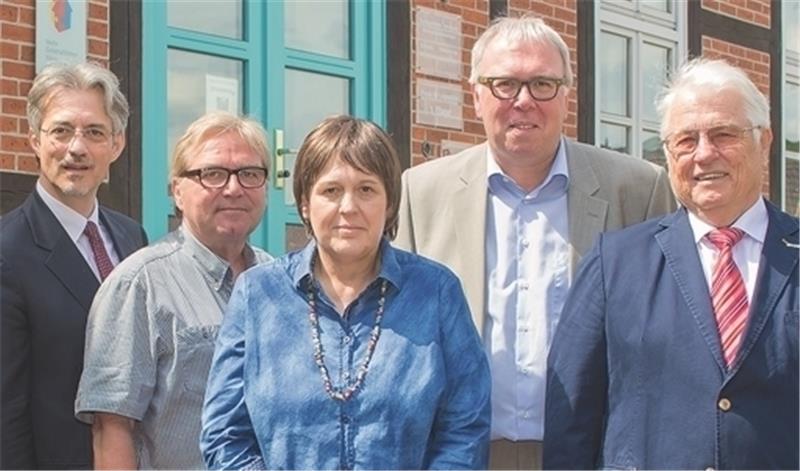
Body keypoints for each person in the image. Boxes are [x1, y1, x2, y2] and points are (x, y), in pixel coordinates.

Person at [394, 15, 675, 470]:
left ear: (567, 93)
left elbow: (669, 332)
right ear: (476, 95)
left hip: (594, 454)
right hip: (463, 455)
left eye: (542, 83)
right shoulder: (420, 193)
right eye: (504, 83)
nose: (523, 101)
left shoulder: (638, 189)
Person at [544, 58, 799, 469]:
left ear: (764, 141)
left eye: (723, 134)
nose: (703, 154)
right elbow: (572, 417)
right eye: (685, 141)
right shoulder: (616, 263)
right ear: (667, 154)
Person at [201, 115, 491, 470]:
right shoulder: (258, 295)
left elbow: (465, 427)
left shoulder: (436, 293)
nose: (348, 207)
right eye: (331, 190)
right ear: (305, 203)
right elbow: (224, 435)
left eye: (366, 189)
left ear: (388, 205)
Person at [74, 111, 272, 469]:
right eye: (212, 174)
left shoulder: (277, 282)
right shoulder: (139, 284)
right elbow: (112, 428)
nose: (233, 188)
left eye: (249, 174)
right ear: (177, 190)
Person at [0, 62, 148, 469]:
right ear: (34, 139)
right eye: (61, 130)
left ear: (116, 145)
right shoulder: (7, 252)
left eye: (94, 132)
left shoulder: (132, 237)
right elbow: (5, 409)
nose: (77, 148)